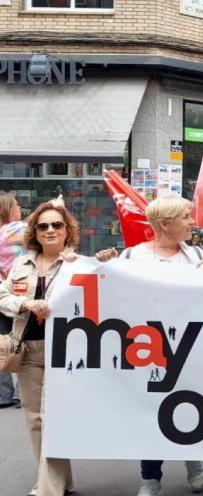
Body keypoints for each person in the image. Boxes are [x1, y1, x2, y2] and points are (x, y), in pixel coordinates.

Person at [95, 196, 203, 496]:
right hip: (149, 347)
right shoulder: (133, 257)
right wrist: (102, 266)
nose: (192, 221)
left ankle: (193, 460)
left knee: (188, 405)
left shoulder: (196, 254)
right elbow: (112, 291)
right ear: (165, 224)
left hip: (190, 346)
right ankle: (150, 477)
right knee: (151, 410)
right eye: (185, 217)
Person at [0, 200, 81, 496]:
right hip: (26, 350)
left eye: (56, 225)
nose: (49, 230)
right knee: (34, 419)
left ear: (66, 231)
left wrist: (101, 261)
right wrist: (23, 303)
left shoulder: (77, 264)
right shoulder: (22, 263)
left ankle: (48, 487)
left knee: (52, 417)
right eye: (43, 225)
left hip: (64, 351)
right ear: (34, 231)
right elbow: (2, 295)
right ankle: (60, 479)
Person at [0, 192, 25, 410]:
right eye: (16, 205)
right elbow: (37, 227)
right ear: (7, 209)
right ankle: (21, 393)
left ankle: (3, 395)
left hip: (1, 292)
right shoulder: (14, 229)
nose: (20, 208)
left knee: (2, 343)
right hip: (17, 293)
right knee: (23, 340)